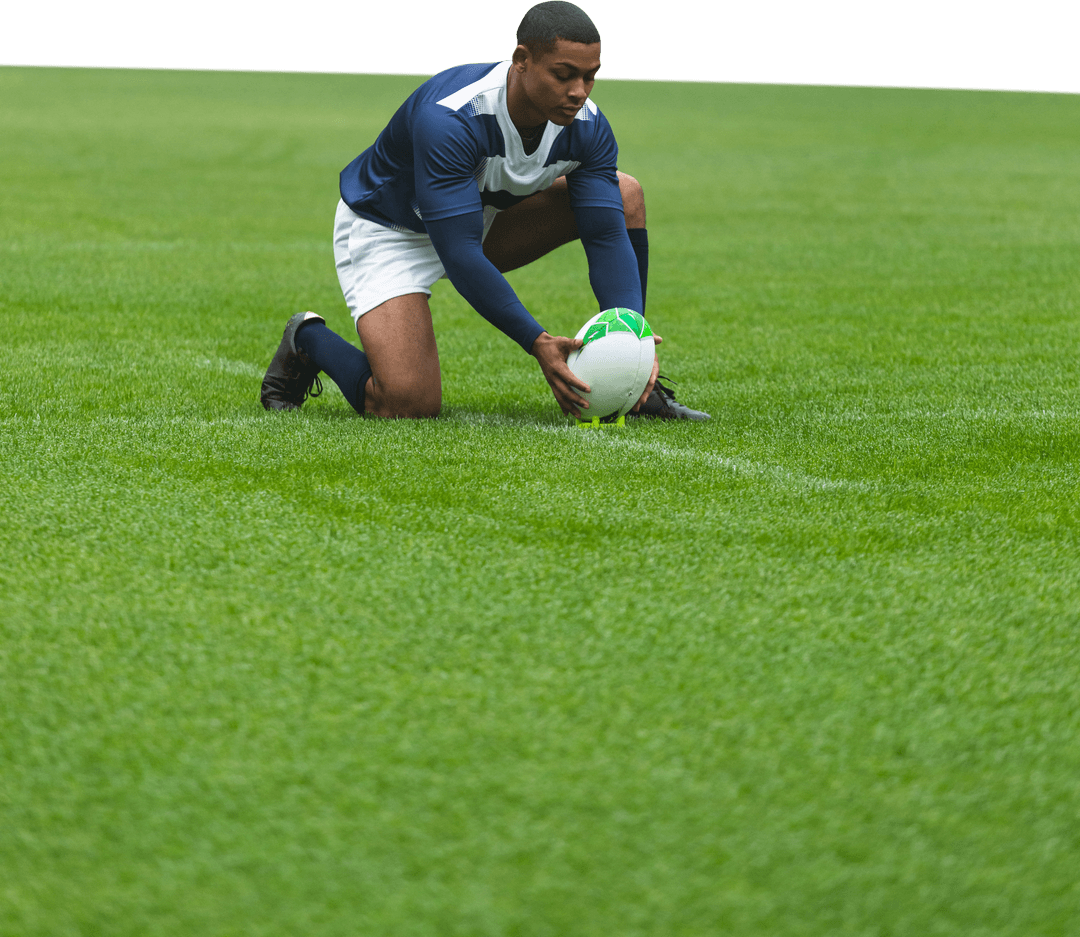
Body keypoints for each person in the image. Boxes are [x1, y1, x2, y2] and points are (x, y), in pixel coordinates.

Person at [260, 0, 709, 421]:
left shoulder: (588, 125)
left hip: (479, 221)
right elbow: (460, 254)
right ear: (522, 60)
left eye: (589, 77)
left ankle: (643, 392)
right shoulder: (451, 119)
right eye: (563, 74)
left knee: (623, 194)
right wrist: (537, 342)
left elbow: (606, 233)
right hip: (390, 230)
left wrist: (632, 338)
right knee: (406, 403)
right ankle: (307, 338)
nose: (578, 92)